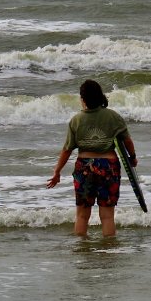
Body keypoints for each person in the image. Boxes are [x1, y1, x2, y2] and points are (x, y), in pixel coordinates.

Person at [47, 80, 137, 237]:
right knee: (108, 216)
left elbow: (67, 149)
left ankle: (82, 250)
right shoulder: (113, 116)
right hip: (109, 166)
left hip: (84, 167)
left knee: (82, 215)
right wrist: (132, 158)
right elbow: (127, 141)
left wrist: (57, 171)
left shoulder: (76, 120)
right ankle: (108, 250)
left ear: (83, 99)